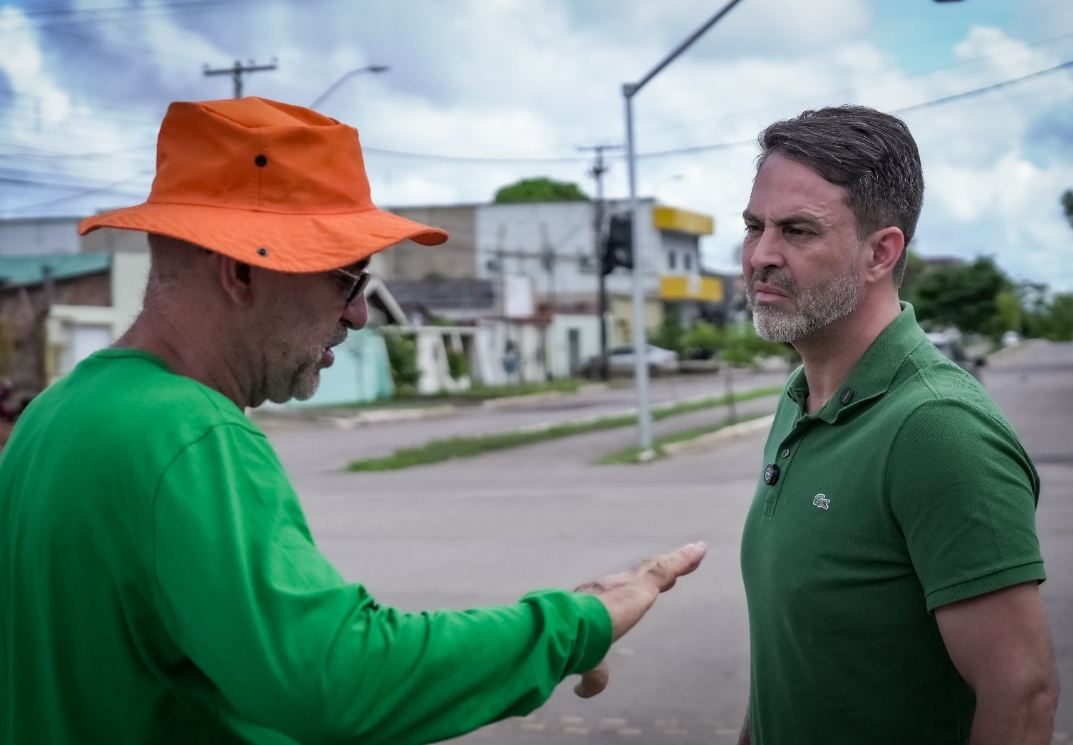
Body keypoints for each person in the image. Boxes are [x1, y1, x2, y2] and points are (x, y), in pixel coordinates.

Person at [0, 97, 707, 744]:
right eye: (346, 277)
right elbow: (337, 677)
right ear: (239, 271)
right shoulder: (190, 434)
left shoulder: (58, 414)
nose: (359, 313)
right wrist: (576, 622)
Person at [736, 105, 1058, 745]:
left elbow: (1022, 696)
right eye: (753, 227)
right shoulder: (802, 398)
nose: (760, 256)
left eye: (798, 230)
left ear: (880, 252)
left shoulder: (938, 429)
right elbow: (792, 660)